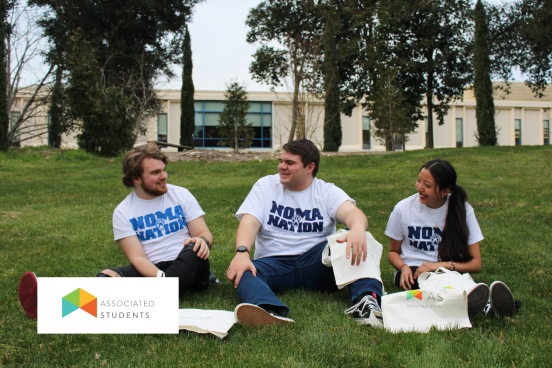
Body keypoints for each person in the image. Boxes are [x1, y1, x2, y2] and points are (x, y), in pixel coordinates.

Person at [18, 145, 214, 320]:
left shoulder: (180, 194)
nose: (164, 176)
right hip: (153, 270)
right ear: (136, 178)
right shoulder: (123, 212)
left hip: (191, 265)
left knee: (193, 245)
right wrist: (161, 280)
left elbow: (203, 232)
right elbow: (137, 259)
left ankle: (153, 295)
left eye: (164, 170)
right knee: (108, 277)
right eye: (156, 172)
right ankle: (47, 305)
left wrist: (203, 240)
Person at [226, 138, 384, 327]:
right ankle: (268, 311)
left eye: (290, 163)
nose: (281, 167)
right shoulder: (265, 186)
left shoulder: (325, 191)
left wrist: (358, 229)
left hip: (318, 263)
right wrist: (242, 252)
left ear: (310, 167)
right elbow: (249, 223)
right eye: (281, 161)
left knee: (359, 237)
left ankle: (365, 302)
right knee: (244, 270)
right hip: (275, 264)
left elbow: (352, 213)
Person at [385, 158, 516, 319]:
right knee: (433, 282)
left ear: (445, 191)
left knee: (451, 279)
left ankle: (485, 304)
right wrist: (403, 267)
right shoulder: (403, 209)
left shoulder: (463, 210)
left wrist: (440, 265)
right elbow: (392, 252)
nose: (420, 188)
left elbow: (476, 264)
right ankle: (483, 304)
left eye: (428, 185)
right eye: (419, 181)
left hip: (447, 270)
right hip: (412, 272)